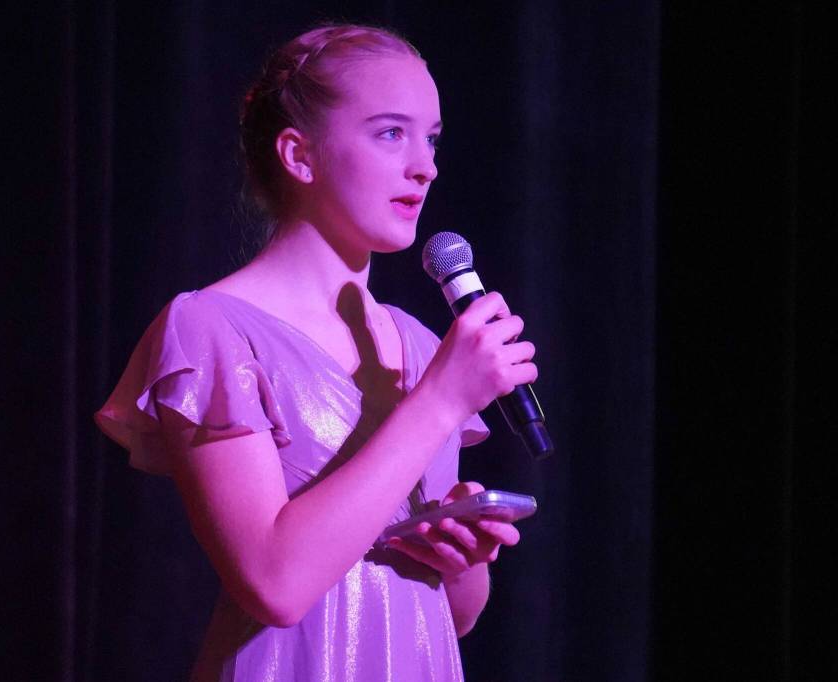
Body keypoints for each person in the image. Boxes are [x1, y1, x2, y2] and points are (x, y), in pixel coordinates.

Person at [95, 23, 538, 681]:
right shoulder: (212, 329)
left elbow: (458, 615)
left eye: (432, 138)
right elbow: (274, 584)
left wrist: (463, 555)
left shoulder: (418, 345)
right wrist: (441, 400)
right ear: (300, 156)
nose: (426, 164)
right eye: (391, 133)